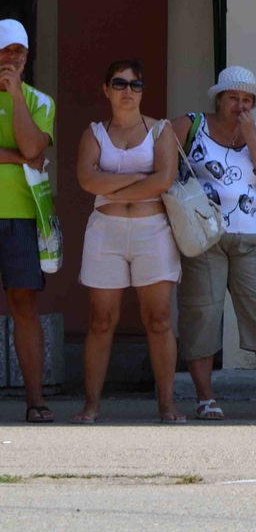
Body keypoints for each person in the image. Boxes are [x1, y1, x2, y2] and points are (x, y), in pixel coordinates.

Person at [171, 66, 256, 421]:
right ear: (219, 99)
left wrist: (251, 137)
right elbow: (157, 157)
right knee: (201, 315)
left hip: (251, 238)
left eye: (247, 100)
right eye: (233, 98)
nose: (241, 105)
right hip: (203, 238)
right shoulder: (191, 125)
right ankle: (205, 398)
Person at [72, 60, 182, 425]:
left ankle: (167, 406)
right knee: (101, 321)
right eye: (119, 83)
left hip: (153, 229)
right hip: (106, 230)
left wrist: (112, 184)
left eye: (135, 85)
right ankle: (91, 406)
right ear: (106, 89)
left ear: (142, 91)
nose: (127, 91)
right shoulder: (94, 133)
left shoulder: (161, 129)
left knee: (160, 319)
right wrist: (140, 177)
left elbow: (164, 180)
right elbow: (87, 180)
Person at [0, 19, 55, 423]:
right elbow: (27, 154)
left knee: (24, 307)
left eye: (19, 51)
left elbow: (34, 146)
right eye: (5, 50)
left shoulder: (40, 101)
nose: (13, 57)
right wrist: (19, 157)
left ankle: (35, 401)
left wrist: (16, 95)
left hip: (21, 215)